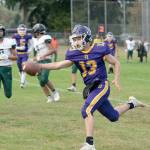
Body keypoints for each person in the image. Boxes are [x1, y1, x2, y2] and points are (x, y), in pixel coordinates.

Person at [24, 24, 145, 150]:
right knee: (113, 116)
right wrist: (40, 66)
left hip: (102, 85)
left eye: (78, 38)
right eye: (74, 39)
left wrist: (116, 79)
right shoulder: (74, 53)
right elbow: (59, 64)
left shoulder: (99, 48)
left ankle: (89, 144)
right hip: (91, 88)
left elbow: (116, 62)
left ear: (87, 37)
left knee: (86, 110)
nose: (76, 41)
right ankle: (132, 103)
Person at [32, 23, 60, 103]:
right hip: (38, 62)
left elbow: (52, 50)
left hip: (46, 60)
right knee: (41, 81)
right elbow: (35, 54)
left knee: (44, 79)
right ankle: (49, 97)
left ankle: (55, 92)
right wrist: (33, 60)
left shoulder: (45, 38)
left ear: (37, 32)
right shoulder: (35, 41)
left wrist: (42, 56)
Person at [12, 24, 33, 88]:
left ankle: (22, 83)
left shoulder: (28, 36)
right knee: (20, 69)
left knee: (24, 67)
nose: (22, 31)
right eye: (20, 30)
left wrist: (29, 50)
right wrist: (18, 48)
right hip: (18, 54)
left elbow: (31, 44)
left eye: (23, 30)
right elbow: (13, 45)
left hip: (25, 54)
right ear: (18, 30)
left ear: (25, 30)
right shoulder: (15, 36)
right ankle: (24, 80)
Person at [0, 24, 17, 98]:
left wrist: (7, 57)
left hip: (6, 68)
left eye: (1, 31)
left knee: (8, 94)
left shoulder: (9, 42)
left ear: (3, 32)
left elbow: (16, 57)